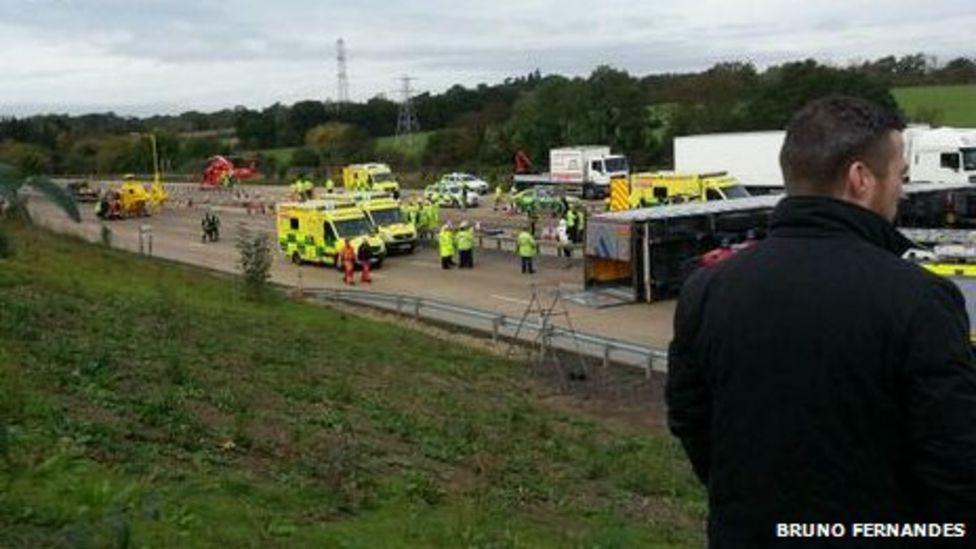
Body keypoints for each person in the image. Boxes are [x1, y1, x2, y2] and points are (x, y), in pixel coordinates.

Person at [666, 95, 976, 547]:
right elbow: (956, 465)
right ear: (860, 179)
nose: (904, 192)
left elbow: (692, 423)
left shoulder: (706, 289)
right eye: (900, 177)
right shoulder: (920, 298)